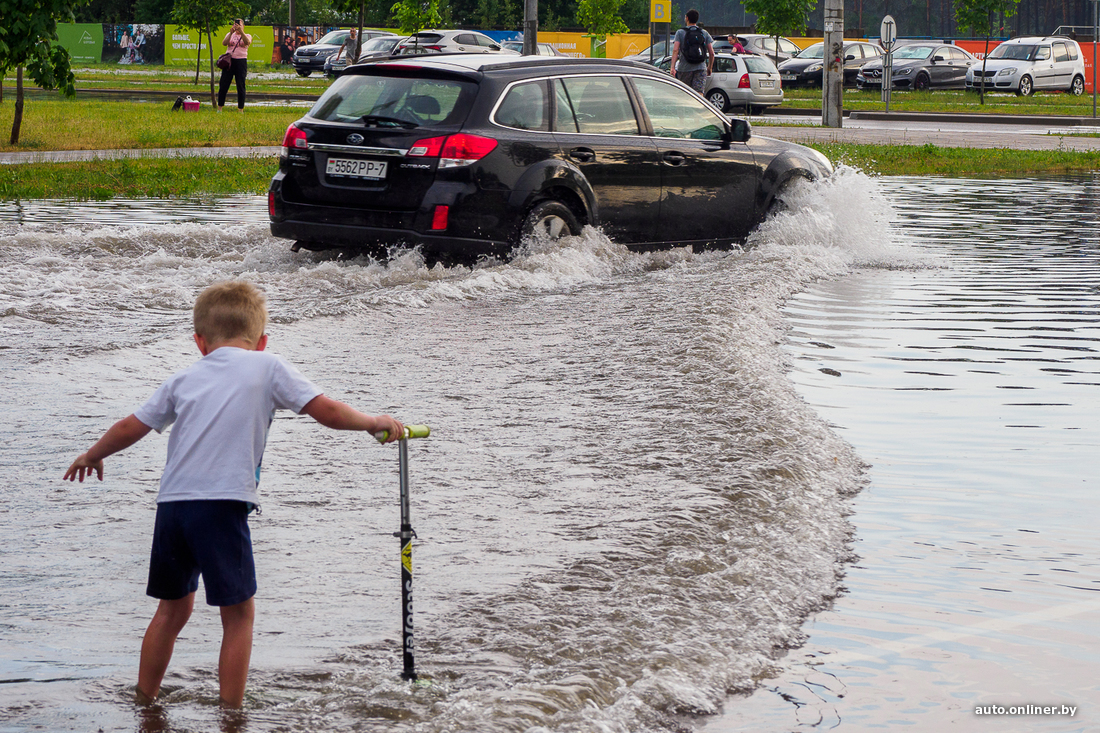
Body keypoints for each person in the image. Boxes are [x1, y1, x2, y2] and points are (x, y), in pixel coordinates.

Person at [63, 280, 405, 709]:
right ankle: (231, 712)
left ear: (199, 341)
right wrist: (373, 421)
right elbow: (328, 411)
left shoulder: (184, 377)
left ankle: (144, 700)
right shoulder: (268, 366)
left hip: (172, 507)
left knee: (171, 612)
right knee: (238, 615)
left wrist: (92, 454)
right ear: (262, 341)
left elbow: (132, 426)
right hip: (221, 506)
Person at [668, 9, 715, 95]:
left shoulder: (680, 32)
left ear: (687, 18)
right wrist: (710, 67)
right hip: (701, 67)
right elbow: (711, 53)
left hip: (684, 68)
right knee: (699, 94)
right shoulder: (704, 33)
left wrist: (672, 67)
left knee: (685, 93)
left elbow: (675, 50)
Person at [218, 19, 252, 112]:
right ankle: (220, 107)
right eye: (235, 24)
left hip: (241, 61)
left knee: (240, 84)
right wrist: (230, 33)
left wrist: (241, 32)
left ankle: (240, 109)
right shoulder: (230, 35)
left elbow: (247, 42)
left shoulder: (247, 35)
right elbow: (224, 43)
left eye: (238, 25)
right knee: (224, 84)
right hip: (229, 61)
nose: (236, 26)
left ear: (243, 26)